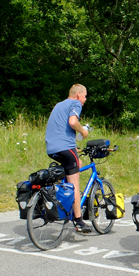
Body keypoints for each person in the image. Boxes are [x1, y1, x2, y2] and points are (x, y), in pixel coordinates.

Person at [45, 84, 91, 233]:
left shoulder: (59, 105)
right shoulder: (75, 103)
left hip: (52, 148)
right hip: (65, 147)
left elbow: (60, 128)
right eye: (84, 96)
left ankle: (64, 199)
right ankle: (79, 220)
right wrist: (83, 131)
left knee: (78, 162)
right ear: (78, 95)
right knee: (75, 183)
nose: (85, 100)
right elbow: (72, 122)